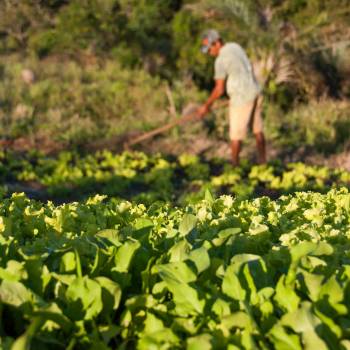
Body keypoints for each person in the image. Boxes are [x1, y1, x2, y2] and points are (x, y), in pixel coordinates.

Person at [197, 29, 266, 166]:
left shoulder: (220, 60)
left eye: (210, 49)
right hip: (255, 91)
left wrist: (206, 106)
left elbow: (219, 89)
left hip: (241, 99)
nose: (210, 53)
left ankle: (234, 167)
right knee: (258, 130)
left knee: (235, 136)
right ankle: (263, 163)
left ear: (216, 43)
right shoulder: (235, 46)